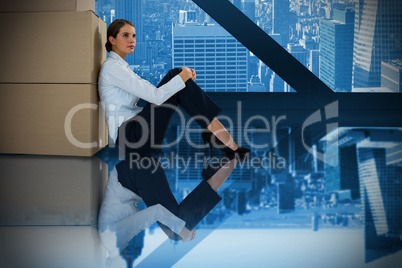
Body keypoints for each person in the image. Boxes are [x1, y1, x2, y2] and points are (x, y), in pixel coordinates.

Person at [98, 19, 250, 239]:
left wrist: (183, 81)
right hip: (132, 136)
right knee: (175, 77)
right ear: (111, 40)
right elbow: (156, 96)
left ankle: (223, 146)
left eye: (133, 35)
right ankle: (224, 143)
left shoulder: (120, 67)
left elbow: (152, 92)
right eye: (125, 35)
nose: (132, 40)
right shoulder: (113, 68)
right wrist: (182, 77)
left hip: (135, 137)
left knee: (177, 82)